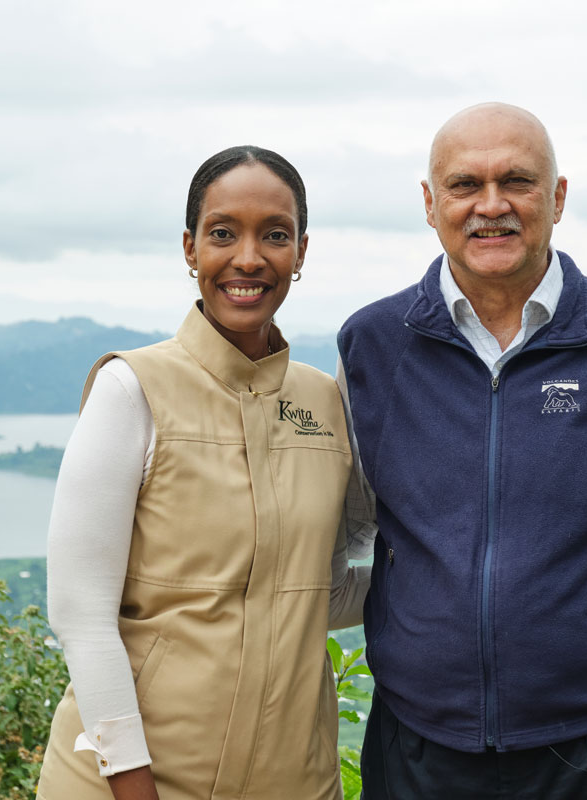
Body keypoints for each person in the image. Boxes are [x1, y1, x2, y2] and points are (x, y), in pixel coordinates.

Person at [336, 103, 587, 799]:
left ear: (558, 197)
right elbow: (350, 536)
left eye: (516, 180)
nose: (492, 206)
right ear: (430, 204)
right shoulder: (372, 346)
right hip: (418, 749)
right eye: (464, 185)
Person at [36, 146, 370, 800]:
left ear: (301, 252)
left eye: (275, 235)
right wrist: (133, 786)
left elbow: (317, 592)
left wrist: (461, 582)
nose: (249, 257)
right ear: (190, 249)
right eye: (224, 233)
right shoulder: (132, 388)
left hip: (293, 784)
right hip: (128, 785)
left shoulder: (325, 403)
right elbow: (80, 613)